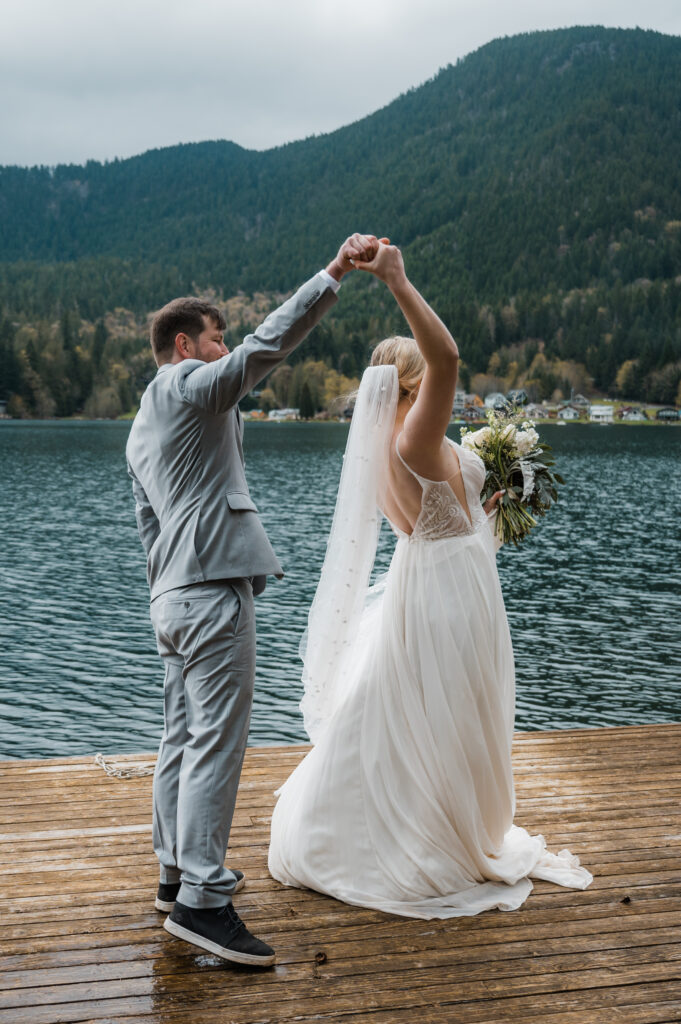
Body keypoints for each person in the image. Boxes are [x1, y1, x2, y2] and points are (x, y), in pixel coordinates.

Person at [268, 241, 592, 917]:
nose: (449, 387)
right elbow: (445, 355)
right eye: (434, 382)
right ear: (415, 387)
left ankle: (389, 822)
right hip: (449, 593)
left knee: (414, 703)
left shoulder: (385, 448)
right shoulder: (416, 438)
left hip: (428, 575)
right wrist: (397, 280)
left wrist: (489, 507)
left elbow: (438, 518)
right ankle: (436, 839)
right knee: (450, 709)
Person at [126, 232, 381, 966]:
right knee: (216, 743)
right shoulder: (184, 387)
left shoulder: (142, 425)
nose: (225, 348)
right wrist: (331, 273)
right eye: (216, 338)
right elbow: (264, 351)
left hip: (173, 597)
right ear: (184, 345)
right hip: (208, 594)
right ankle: (205, 902)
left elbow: (149, 528)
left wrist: (163, 600)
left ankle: (176, 875)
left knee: (181, 737)